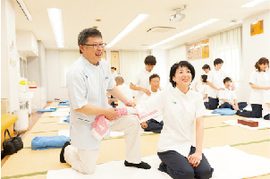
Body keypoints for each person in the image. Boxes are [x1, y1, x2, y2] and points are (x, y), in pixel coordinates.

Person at [61, 28, 150, 174]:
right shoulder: (75, 72)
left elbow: (111, 86)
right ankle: (67, 151)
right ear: (82, 48)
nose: (100, 49)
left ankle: (133, 160)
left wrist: (127, 100)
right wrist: (106, 111)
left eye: (101, 44)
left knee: (133, 122)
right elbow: (80, 106)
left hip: (105, 117)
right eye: (94, 45)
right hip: (86, 122)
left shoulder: (104, 65)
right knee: (87, 169)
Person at [138, 61, 213, 179]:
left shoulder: (196, 97)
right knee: (187, 174)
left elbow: (199, 125)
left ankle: (185, 162)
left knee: (205, 173)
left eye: (188, 72)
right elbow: (145, 107)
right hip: (169, 146)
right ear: (173, 78)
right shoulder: (166, 94)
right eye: (181, 72)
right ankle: (164, 166)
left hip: (189, 144)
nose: (185, 75)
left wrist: (198, 152)